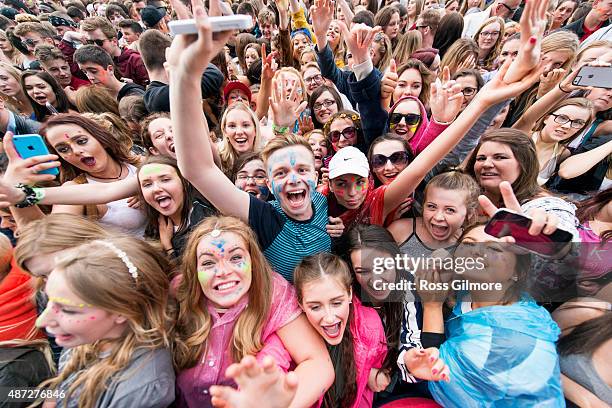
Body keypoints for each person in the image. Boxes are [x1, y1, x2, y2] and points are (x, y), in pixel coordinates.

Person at [174, 216, 334, 407]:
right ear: (194, 270)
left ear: (253, 261)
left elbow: (318, 364)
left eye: (235, 258)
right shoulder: (179, 293)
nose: (223, 271)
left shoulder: (273, 292)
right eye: (209, 263)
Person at [36, 236, 176, 408]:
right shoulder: (84, 337)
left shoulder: (140, 389)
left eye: (68, 309)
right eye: (48, 300)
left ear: (122, 310)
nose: (42, 322)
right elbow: (58, 392)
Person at [294, 252, 388, 408]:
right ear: (301, 304)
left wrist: (374, 373)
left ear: (350, 293)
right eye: (315, 307)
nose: (329, 318)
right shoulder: (290, 337)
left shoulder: (370, 325)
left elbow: (375, 369)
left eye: (336, 303)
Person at [74, 45, 145, 102]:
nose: (90, 77)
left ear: (110, 69)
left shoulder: (135, 95)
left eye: (93, 71)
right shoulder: (97, 98)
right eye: (85, 72)